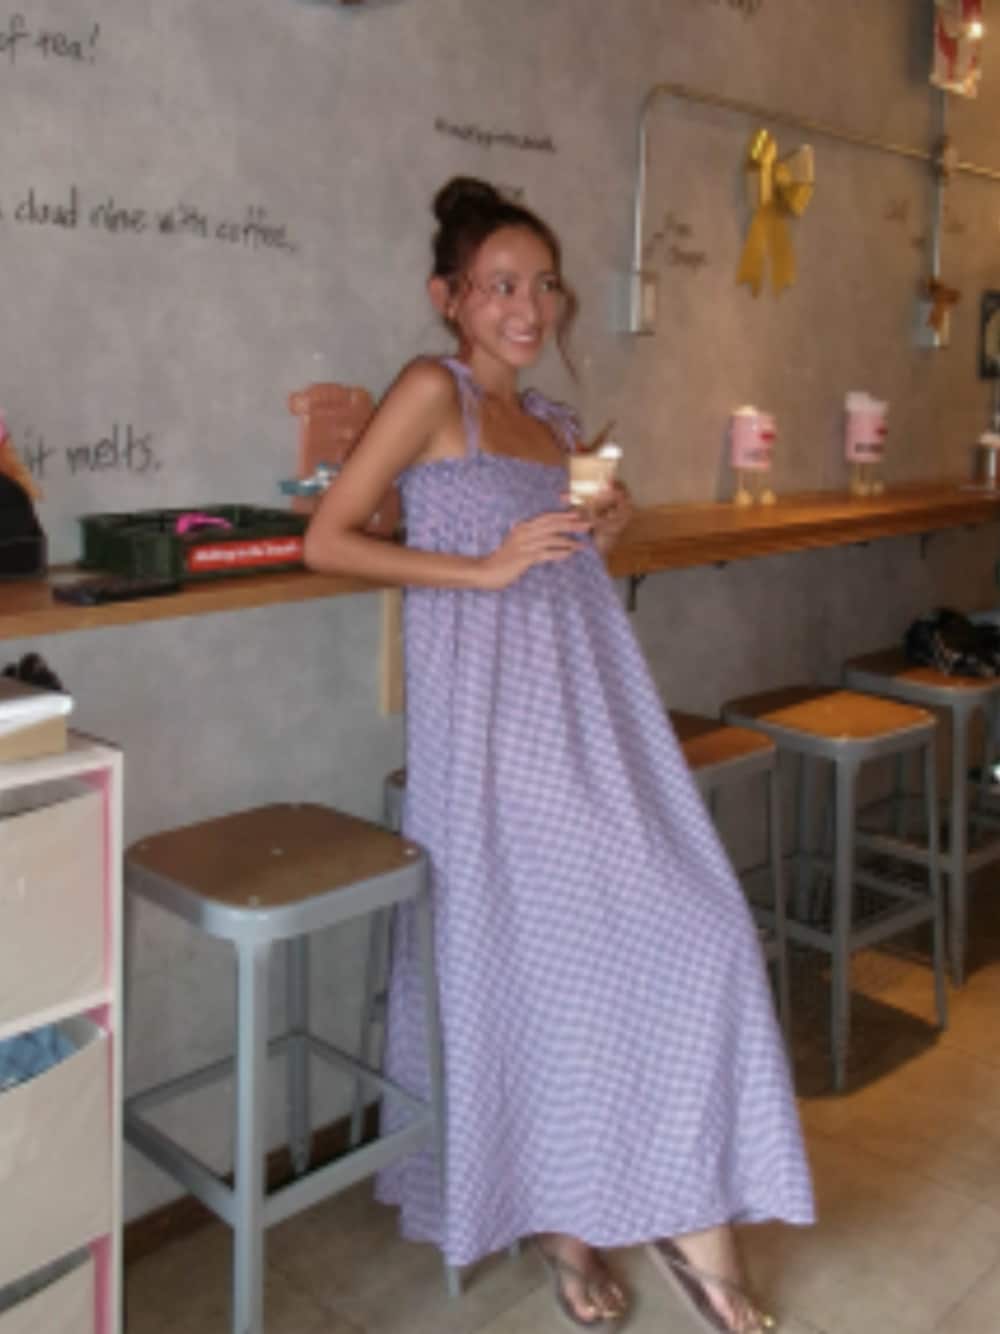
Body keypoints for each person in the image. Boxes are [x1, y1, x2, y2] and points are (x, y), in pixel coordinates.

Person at [304, 177, 814, 1334]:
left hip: (591, 712)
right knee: (550, 953)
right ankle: (570, 1217)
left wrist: (602, 530)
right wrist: (481, 567)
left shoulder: (556, 424)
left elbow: (559, 567)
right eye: (499, 285)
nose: (527, 306)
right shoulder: (431, 390)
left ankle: (664, 1214)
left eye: (542, 284)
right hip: (494, 735)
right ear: (448, 296)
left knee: (695, 931)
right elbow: (329, 537)